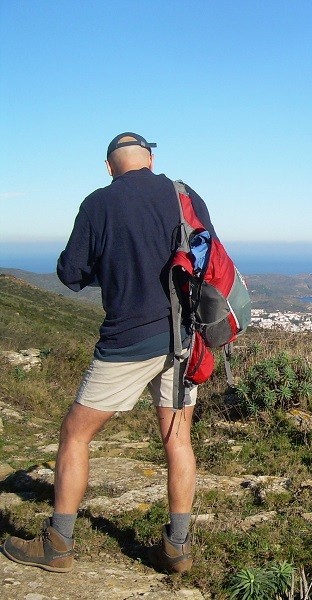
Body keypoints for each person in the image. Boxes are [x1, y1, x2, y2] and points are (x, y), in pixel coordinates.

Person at [1, 132, 216, 574]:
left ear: (108, 166)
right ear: (151, 158)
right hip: (183, 339)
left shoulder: (98, 203)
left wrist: (113, 270)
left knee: (76, 434)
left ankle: (58, 544)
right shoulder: (183, 194)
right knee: (177, 438)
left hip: (128, 339)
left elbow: (71, 272)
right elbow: (205, 255)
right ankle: (177, 546)